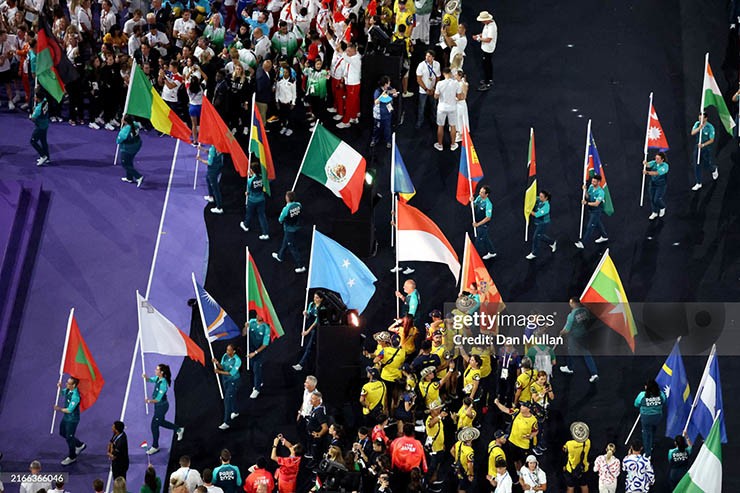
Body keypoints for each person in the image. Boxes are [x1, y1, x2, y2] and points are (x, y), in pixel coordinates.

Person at [143, 363, 184, 455]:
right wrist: (146, 377)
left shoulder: (163, 384)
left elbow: (157, 399)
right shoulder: (158, 378)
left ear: (161, 372)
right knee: (160, 422)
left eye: (157, 369)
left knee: (154, 425)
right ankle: (178, 429)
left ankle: (155, 446)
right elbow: (150, 380)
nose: (155, 370)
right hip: (158, 407)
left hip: (162, 407)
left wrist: (148, 401)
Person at [559, 297, 599, 383]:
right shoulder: (585, 310)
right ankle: (594, 373)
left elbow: (567, 330)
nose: (569, 304)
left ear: (574, 303)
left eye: (570, 302)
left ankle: (570, 368)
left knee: (570, 351)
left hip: (574, 337)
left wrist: (561, 332)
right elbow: (587, 319)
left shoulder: (571, 316)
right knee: (586, 353)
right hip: (584, 335)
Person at [53, 377, 86, 465]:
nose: (66, 384)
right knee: (62, 432)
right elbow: (61, 393)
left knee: (69, 438)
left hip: (72, 420)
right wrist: (59, 388)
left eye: (68, 383)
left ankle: (72, 457)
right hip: (66, 418)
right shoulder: (68, 389)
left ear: (74, 385)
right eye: (67, 382)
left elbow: (69, 410)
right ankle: (79, 445)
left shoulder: (75, 396)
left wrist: (59, 409)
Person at [293, 291, 328, 371]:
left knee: (309, 347)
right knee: (309, 347)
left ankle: (301, 364)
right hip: (311, 328)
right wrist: (306, 314)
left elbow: (316, 322)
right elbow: (309, 316)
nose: (315, 299)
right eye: (314, 297)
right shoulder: (311, 304)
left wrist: (307, 332)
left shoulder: (322, 308)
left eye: (317, 298)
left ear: (321, 299)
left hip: (318, 329)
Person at [273, 191, 306, 273]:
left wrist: (286, 210)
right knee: (285, 242)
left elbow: (280, 220)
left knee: (292, 247)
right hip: (296, 227)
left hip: (289, 230)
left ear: (287, 199)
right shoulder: (299, 205)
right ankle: (280, 256)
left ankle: (301, 266)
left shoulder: (286, 209)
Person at [634, 379, 666, 458]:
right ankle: (652, 444)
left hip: (646, 419)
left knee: (646, 434)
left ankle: (648, 454)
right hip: (657, 417)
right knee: (653, 430)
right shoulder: (661, 394)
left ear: (646, 387)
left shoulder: (642, 395)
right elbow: (664, 401)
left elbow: (636, 404)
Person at [575, 174, 608, 248]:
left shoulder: (601, 192)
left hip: (596, 211)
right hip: (591, 210)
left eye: (594, 182)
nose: (592, 183)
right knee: (598, 223)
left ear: (599, 182)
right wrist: (585, 190)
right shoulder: (591, 186)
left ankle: (583, 243)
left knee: (590, 227)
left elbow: (596, 204)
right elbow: (588, 196)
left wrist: (586, 203)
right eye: (592, 181)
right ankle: (604, 236)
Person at [213, 343, 242, 430]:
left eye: (229, 350)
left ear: (233, 351)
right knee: (231, 397)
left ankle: (226, 422)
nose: (227, 351)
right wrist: (217, 363)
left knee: (227, 400)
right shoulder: (225, 356)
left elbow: (231, 373)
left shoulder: (237, 360)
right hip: (225, 380)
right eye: (227, 349)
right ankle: (235, 411)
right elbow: (222, 367)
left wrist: (218, 372)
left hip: (234, 381)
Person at [433, 67, 461, 151]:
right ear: (450, 74)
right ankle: (453, 145)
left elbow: (436, 96)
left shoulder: (439, 83)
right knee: (453, 126)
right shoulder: (456, 83)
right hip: (452, 107)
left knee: (440, 126)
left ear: (443, 74)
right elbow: (459, 96)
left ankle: (440, 145)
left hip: (442, 108)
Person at [244, 311, 271, 399]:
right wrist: (245, 327)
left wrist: (255, 353)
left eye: (259, 315)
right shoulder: (251, 321)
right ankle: (260, 381)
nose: (257, 316)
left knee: (256, 369)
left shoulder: (266, 328)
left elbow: (265, 344)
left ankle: (257, 389)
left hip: (259, 352)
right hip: (250, 349)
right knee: (253, 368)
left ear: (263, 316)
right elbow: (243, 334)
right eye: (257, 314)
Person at [240, 162, 270, 240]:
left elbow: (249, 191)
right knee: (262, 215)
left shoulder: (250, 181)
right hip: (261, 199)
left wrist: (247, 193)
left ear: (252, 170)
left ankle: (246, 225)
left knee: (249, 213)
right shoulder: (263, 177)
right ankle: (265, 233)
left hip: (252, 200)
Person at [690, 111, 716, 190]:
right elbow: (692, 133)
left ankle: (714, 169)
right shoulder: (697, 124)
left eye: (702, 117)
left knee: (707, 164)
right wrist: (699, 128)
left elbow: (712, 140)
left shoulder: (710, 127)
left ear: (706, 118)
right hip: (698, 147)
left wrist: (703, 145)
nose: (700, 119)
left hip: (706, 148)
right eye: (699, 117)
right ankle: (698, 183)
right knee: (697, 164)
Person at [415, 50, 441, 129]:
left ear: (433, 57)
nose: (427, 58)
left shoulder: (437, 64)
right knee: (421, 107)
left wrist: (434, 88)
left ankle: (435, 120)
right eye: (426, 56)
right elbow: (419, 79)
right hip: (423, 90)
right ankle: (420, 122)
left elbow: (438, 77)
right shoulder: (421, 65)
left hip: (433, 89)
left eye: (429, 56)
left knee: (434, 106)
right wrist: (426, 89)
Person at [527, 190, 556, 259]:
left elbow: (536, 214)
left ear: (546, 198)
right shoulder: (540, 199)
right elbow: (533, 198)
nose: (539, 197)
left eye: (541, 197)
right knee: (540, 236)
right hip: (538, 222)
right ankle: (552, 242)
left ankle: (534, 253)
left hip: (543, 224)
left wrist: (528, 210)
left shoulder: (546, 207)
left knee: (536, 238)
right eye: (539, 196)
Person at [563, 421, 590, 493]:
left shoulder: (569, 444)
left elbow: (564, 450)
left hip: (571, 469)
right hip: (584, 468)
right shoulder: (588, 441)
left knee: (570, 487)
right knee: (584, 485)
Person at [117, 115, 144, 187]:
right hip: (137, 145)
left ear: (125, 121)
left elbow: (118, 141)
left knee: (125, 164)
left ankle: (138, 177)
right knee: (129, 161)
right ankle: (129, 178)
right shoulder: (135, 124)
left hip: (128, 149)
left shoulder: (124, 131)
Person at [472, 11, 497, 91]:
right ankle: (489, 79)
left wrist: (478, 39)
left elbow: (488, 39)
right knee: (487, 64)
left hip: (488, 49)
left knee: (486, 66)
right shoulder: (487, 25)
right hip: (485, 48)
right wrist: (479, 35)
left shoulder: (491, 27)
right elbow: (485, 34)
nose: (481, 22)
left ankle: (487, 83)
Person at [370, 75, 397, 148]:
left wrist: (394, 94)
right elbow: (376, 102)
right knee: (376, 128)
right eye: (388, 82)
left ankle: (388, 141)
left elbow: (394, 94)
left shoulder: (389, 88)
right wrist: (383, 94)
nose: (390, 83)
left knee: (387, 128)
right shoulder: (377, 91)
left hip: (387, 114)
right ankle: (374, 140)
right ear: (385, 84)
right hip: (378, 114)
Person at [197, 145, 225, 214]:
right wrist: (202, 149)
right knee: (207, 178)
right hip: (219, 165)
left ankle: (219, 207)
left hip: (213, 170)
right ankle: (211, 196)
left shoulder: (213, 148)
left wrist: (200, 159)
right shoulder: (220, 145)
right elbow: (211, 153)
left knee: (215, 188)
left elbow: (209, 162)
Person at [450, 426, 478, 493]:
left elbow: (451, 451)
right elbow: (469, 465)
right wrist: (471, 475)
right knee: (463, 488)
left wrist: (457, 459)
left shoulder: (458, 443)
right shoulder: (470, 451)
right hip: (465, 472)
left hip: (457, 469)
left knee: (460, 485)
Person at [642, 152, 669, 220]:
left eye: (658, 159)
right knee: (652, 199)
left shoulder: (665, 166)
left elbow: (657, 173)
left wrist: (647, 172)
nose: (656, 160)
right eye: (655, 158)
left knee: (656, 199)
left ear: (662, 159)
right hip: (653, 184)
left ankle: (662, 207)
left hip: (661, 185)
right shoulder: (654, 162)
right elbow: (648, 165)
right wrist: (645, 163)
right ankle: (654, 212)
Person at [473, 185, 497, 259]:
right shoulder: (479, 198)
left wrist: (478, 224)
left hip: (483, 225)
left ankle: (474, 257)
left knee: (478, 241)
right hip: (477, 222)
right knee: (486, 238)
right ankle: (492, 252)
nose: (480, 193)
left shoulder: (488, 204)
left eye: (482, 192)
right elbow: (473, 206)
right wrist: (472, 201)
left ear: (486, 194)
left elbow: (488, 218)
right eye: (480, 191)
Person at [305, 391, 329, 463]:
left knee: (316, 456)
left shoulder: (319, 411)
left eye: (313, 399)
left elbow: (325, 427)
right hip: (311, 439)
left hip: (316, 440)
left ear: (318, 400)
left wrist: (319, 434)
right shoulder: (315, 409)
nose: (310, 400)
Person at [29, 92, 50, 166]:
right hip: (45, 124)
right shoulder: (45, 101)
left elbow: (33, 118)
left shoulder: (38, 109)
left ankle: (43, 156)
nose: (34, 98)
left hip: (40, 127)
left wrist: (32, 114)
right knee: (43, 141)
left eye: (35, 97)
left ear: (38, 99)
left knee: (33, 141)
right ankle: (47, 158)